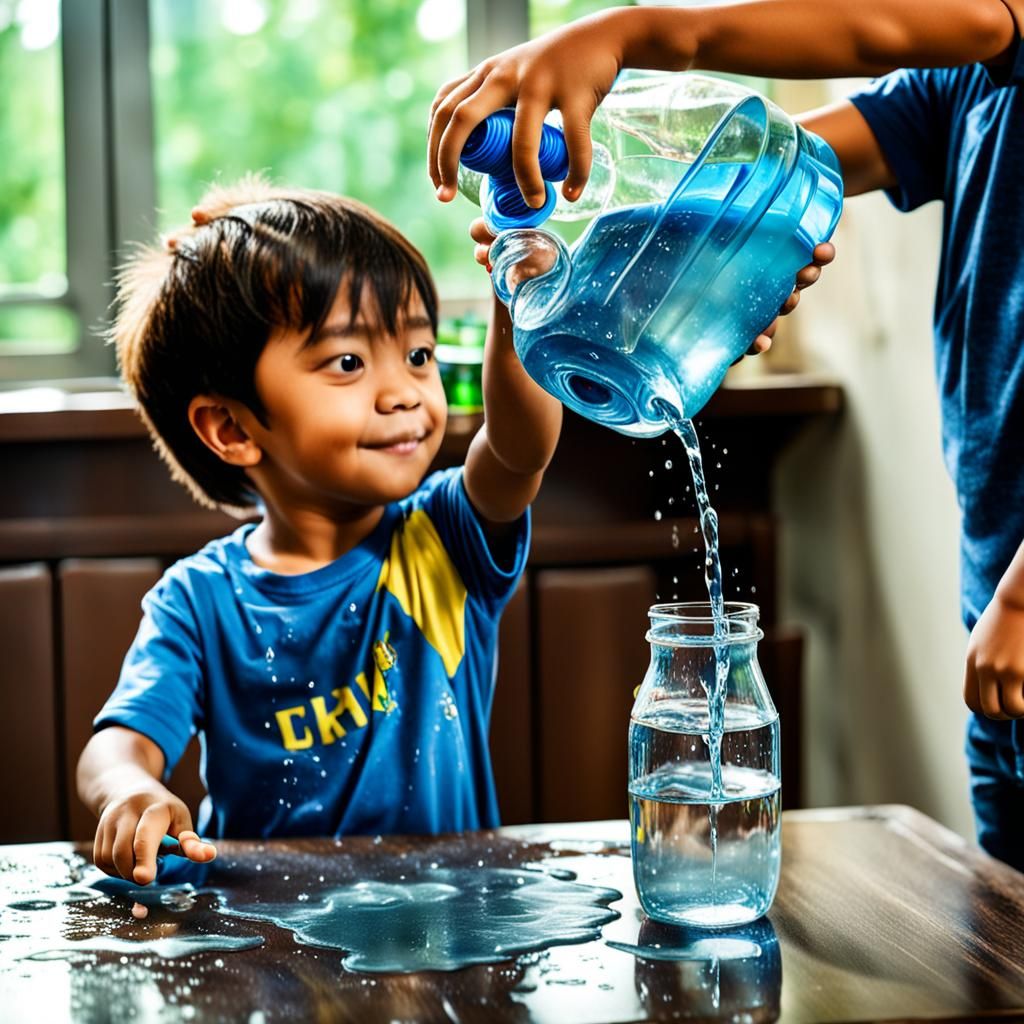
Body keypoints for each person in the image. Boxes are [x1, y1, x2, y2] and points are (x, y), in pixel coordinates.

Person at [427, 2, 1024, 868]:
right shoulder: (966, 93)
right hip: (997, 626)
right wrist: (707, 266)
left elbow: (886, 28)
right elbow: (752, 174)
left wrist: (627, 35)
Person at [76, 177, 562, 890]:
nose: (402, 393)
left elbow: (521, 449)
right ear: (232, 428)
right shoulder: (198, 602)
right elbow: (119, 744)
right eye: (348, 362)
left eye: (418, 355)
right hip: (265, 957)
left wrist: (519, 308)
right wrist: (128, 791)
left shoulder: (444, 540)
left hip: (451, 942)